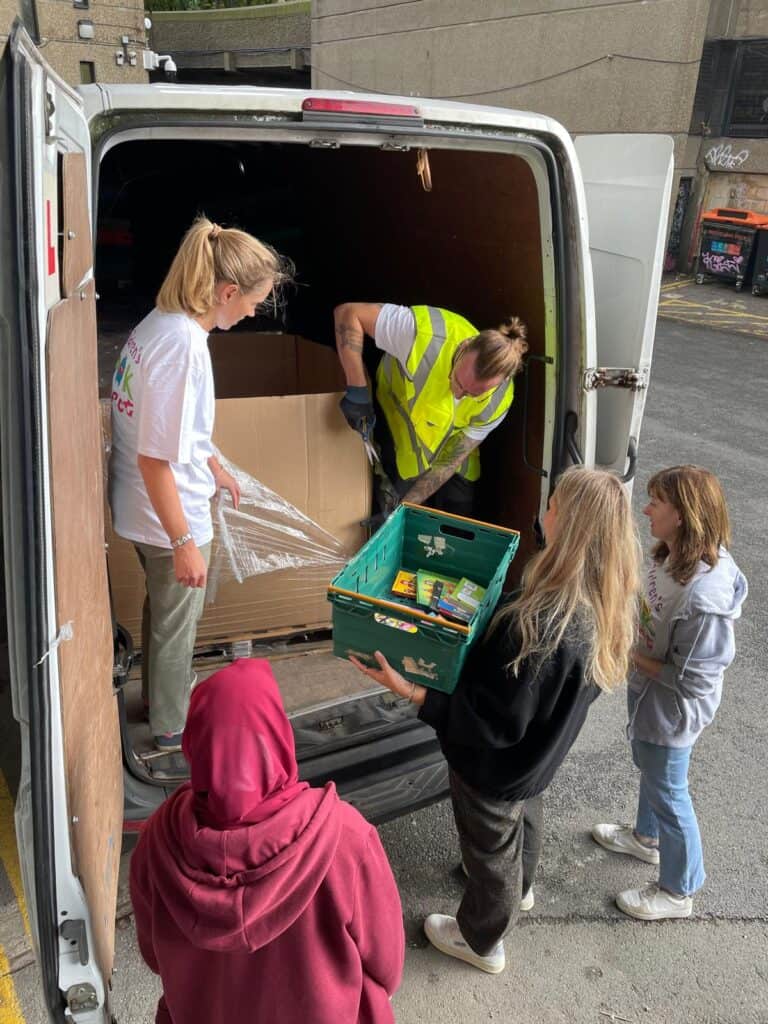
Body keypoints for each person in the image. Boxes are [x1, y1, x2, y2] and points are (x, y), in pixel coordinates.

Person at [350, 466, 639, 973]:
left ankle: (482, 939)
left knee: (489, 850)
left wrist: (413, 690)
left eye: (552, 505)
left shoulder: (540, 628)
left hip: (495, 769)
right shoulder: (600, 604)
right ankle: (520, 886)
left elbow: (491, 724)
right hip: (534, 761)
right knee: (520, 823)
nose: (543, 510)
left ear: (566, 525)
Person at [130, 659, 405, 1024]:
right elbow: (387, 966)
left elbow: (154, 956)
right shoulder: (345, 838)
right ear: (279, 737)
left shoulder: (157, 842)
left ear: (194, 747)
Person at [109, 217, 290, 751]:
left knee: (163, 613)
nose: (254, 312)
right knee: (175, 624)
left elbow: (170, 425)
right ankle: (170, 727)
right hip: (167, 518)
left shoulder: (160, 322)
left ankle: (159, 696)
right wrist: (185, 542)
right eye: (253, 301)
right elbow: (155, 461)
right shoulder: (184, 347)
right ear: (228, 291)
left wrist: (213, 464)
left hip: (144, 512)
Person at [592, 465, 747, 921]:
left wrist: (626, 653)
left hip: (671, 712)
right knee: (652, 772)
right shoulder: (672, 555)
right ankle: (646, 839)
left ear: (682, 514)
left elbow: (694, 681)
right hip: (650, 700)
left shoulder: (706, 599)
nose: (646, 509)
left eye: (656, 502)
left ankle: (679, 890)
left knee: (669, 790)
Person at [333, 302, 528, 517]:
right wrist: (357, 388)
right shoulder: (421, 334)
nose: (458, 393)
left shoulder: (500, 400)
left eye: (472, 394)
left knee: (458, 514)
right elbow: (348, 313)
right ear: (465, 345)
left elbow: (449, 462)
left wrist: (403, 509)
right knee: (392, 490)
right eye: (457, 381)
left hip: (451, 447)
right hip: (403, 426)